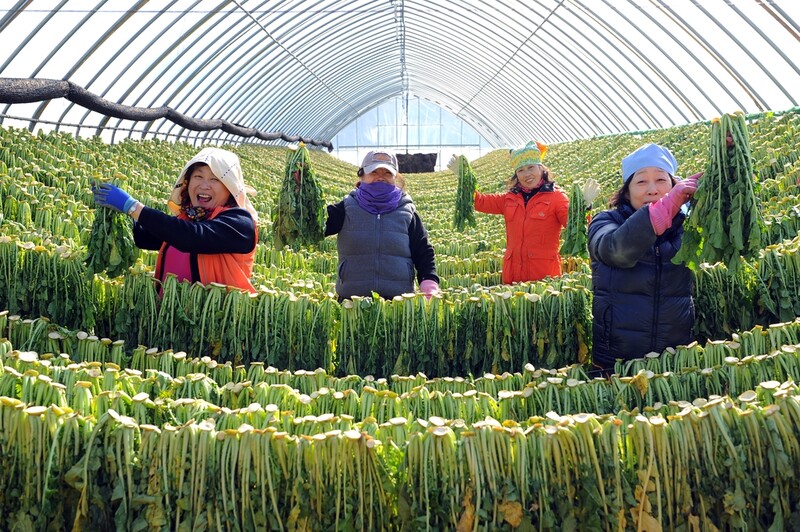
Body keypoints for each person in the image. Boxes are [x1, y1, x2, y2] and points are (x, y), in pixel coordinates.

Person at [588, 143, 701, 373]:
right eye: (641, 181)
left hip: (675, 357)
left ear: (673, 185)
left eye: (661, 180)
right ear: (626, 191)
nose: (652, 189)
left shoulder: (687, 226)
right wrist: (665, 208)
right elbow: (616, 250)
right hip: (617, 361)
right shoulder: (605, 222)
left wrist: (730, 154)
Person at [92, 147, 259, 293]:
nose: (204, 185)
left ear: (230, 188)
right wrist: (113, 214)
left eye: (215, 179)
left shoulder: (240, 222)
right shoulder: (188, 218)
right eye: (198, 176)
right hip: (170, 318)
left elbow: (192, 238)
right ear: (187, 182)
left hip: (215, 321)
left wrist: (132, 207)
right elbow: (144, 236)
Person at [325, 150, 439, 300]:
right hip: (351, 304)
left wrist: (429, 283)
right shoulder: (345, 208)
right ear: (362, 174)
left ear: (395, 177)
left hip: (398, 304)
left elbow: (423, 251)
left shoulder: (407, 211)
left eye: (387, 173)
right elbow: (315, 226)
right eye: (374, 172)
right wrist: (299, 192)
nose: (380, 177)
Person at [473, 141, 570, 284]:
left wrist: (584, 206)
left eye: (531, 167)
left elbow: (574, 224)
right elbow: (480, 201)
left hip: (544, 277)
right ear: (516, 175)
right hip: (513, 274)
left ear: (541, 168)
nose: (527, 174)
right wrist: (464, 177)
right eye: (521, 170)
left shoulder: (557, 198)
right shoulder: (509, 198)